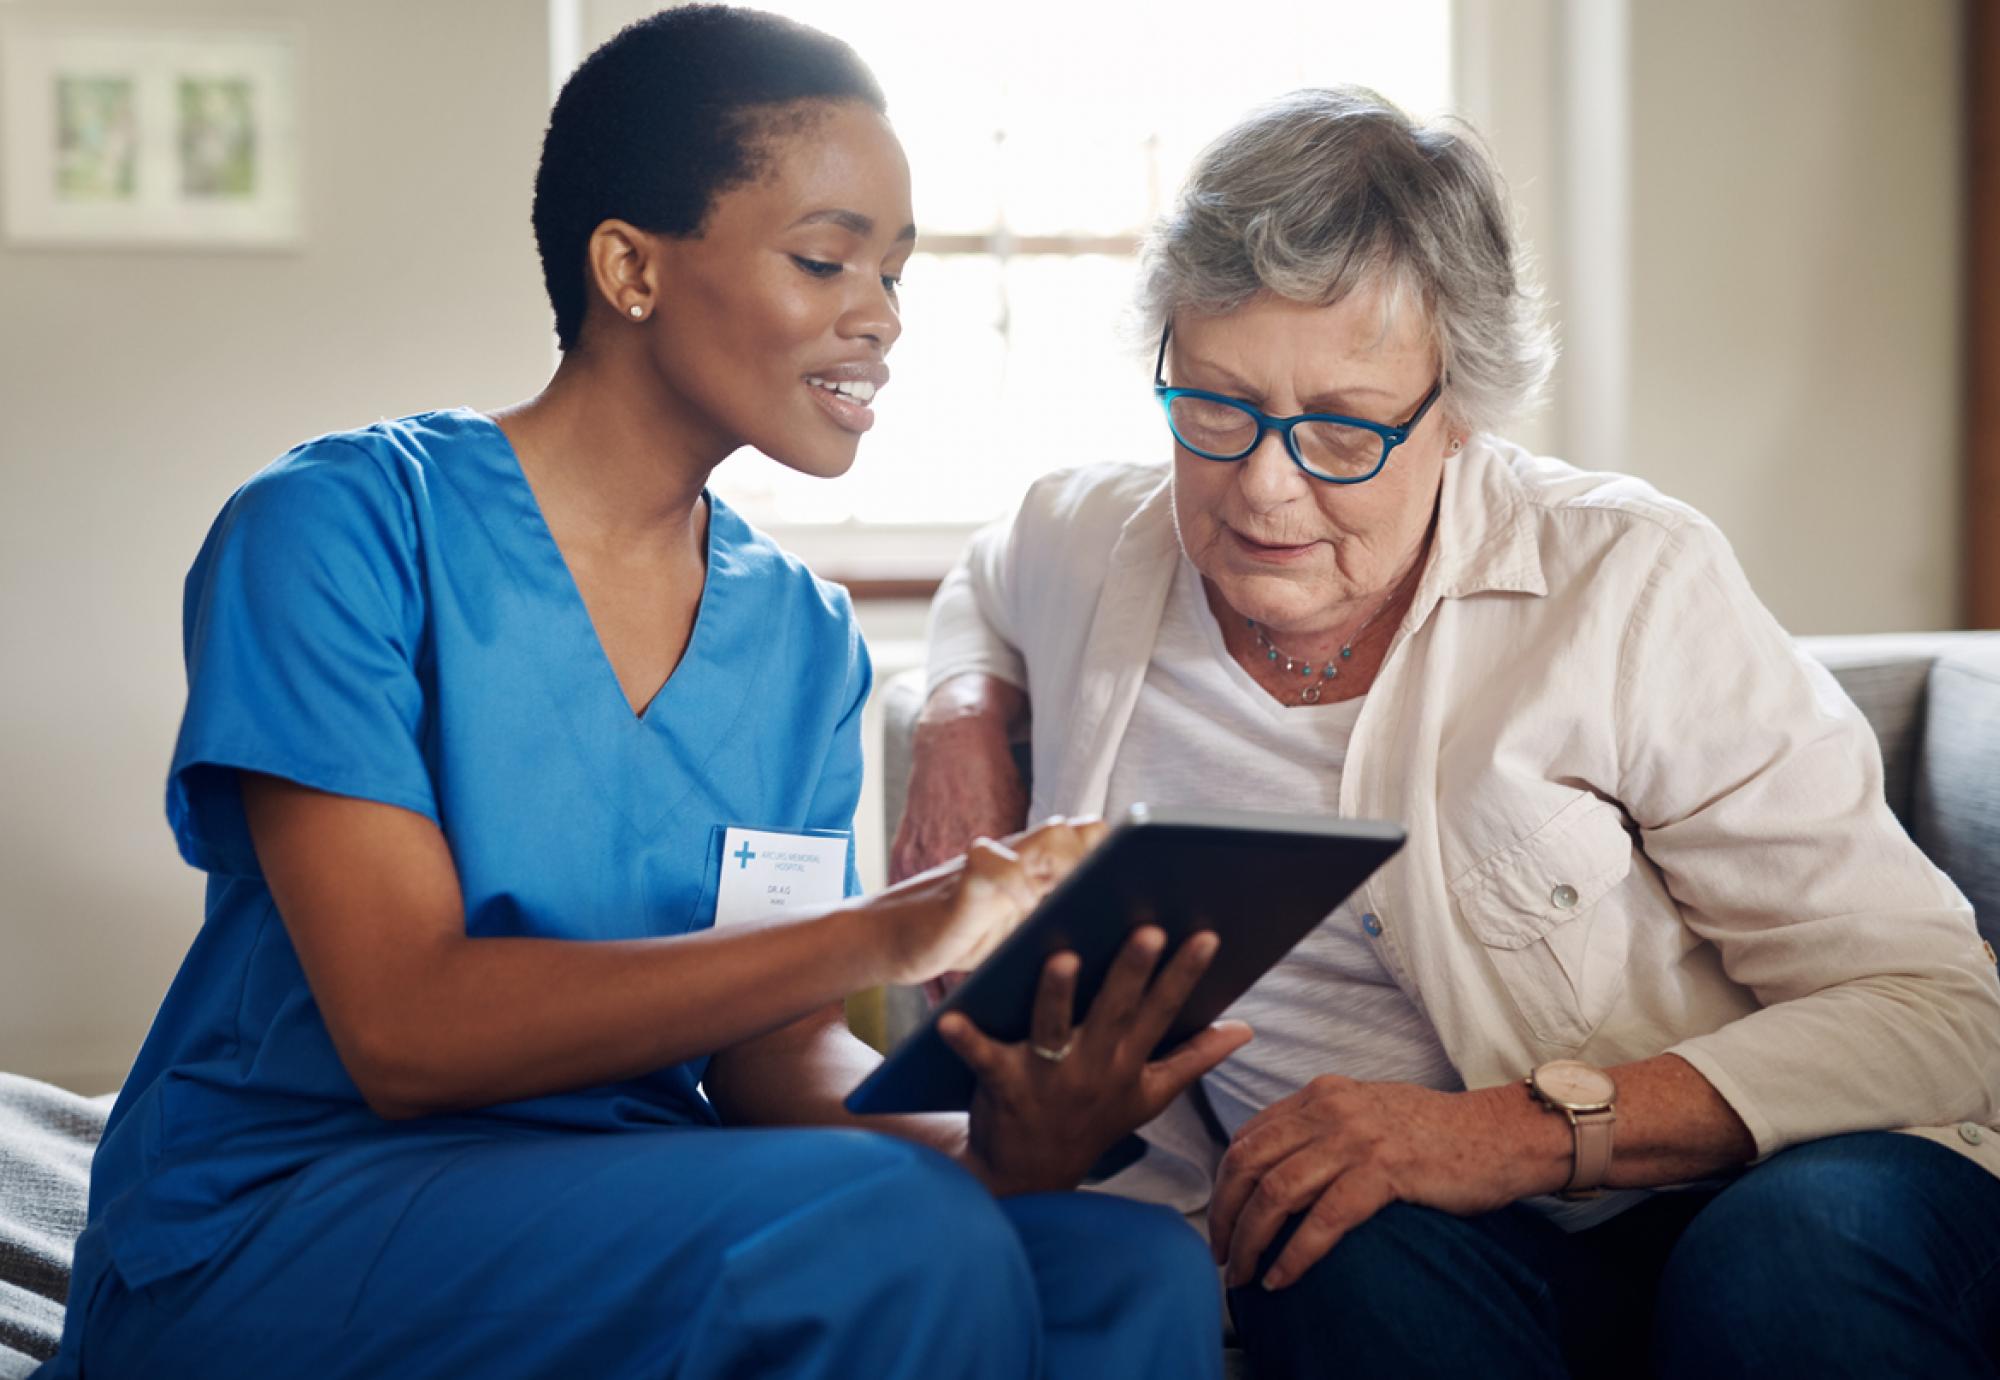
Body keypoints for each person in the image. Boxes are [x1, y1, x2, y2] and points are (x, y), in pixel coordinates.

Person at [36, 9, 1251, 1378]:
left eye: (896, 273)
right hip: (286, 1215)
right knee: (891, 1233)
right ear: (629, 267)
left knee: (1132, 1269)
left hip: (633, 1199)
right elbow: (403, 1029)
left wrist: (993, 1144)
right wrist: (904, 925)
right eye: (825, 258)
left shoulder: (799, 637)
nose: (883, 320)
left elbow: (775, 1060)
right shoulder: (338, 531)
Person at [894, 85, 2000, 1379]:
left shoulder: (1623, 582)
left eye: (1344, 429)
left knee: (1781, 1263)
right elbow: (992, 574)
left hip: (1771, 1190)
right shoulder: (1091, 544)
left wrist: (1510, 1132)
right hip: (1449, 1255)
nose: (1263, 485)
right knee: (1308, 1234)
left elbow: (1936, 1010)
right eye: (1214, 406)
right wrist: (963, 717)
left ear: (1459, 407)